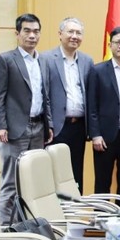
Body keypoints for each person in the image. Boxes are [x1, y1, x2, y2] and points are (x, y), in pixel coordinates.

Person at [0, 13, 53, 225]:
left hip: (38, 128)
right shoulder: (5, 60)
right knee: (11, 183)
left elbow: (45, 96)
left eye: (36, 31)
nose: (32, 35)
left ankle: (23, 230)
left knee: (30, 183)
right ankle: (5, 234)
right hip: (13, 131)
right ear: (17, 34)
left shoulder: (43, 60)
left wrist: (49, 125)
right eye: (27, 31)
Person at [42, 17, 94, 194]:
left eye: (78, 33)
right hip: (56, 128)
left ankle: (75, 216)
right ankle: (55, 217)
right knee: (54, 175)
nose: (74, 36)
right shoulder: (46, 59)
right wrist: (47, 125)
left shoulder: (87, 61)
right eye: (70, 32)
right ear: (60, 34)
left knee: (76, 174)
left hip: (79, 127)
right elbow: (44, 95)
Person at [86, 26, 120, 200]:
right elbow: (91, 106)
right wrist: (95, 135)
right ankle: (100, 222)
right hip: (105, 136)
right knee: (102, 182)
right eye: (117, 42)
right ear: (110, 46)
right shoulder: (98, 70)